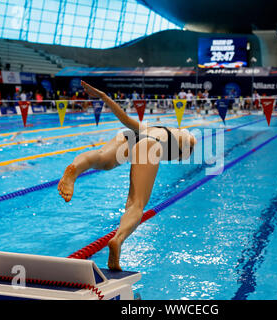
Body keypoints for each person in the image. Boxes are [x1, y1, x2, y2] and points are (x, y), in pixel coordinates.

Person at [57, 81, 197, 271]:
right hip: (150, 145)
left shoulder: (151, 127)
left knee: (100, 159)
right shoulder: (186, 140)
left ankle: (74, 170)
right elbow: (189, 144)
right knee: (136, 204)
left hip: (130, 136)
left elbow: (123, 118)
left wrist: (103, 97)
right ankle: (118, 240)